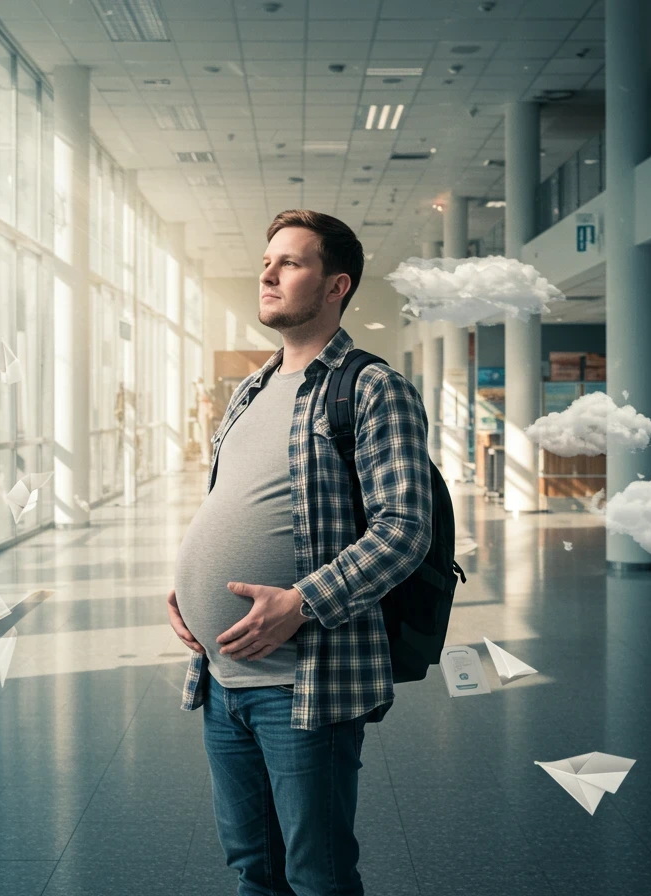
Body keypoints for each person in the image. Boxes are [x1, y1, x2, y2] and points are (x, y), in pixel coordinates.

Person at [167, 210, 433, 895]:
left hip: (302, 685)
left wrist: (300, 603)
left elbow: (404, 528)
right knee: (254, 868)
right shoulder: (251, 389)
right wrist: (188, 587)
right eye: (267, 260)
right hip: (222, 678)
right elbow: (235, 504)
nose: (268, 271)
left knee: (317, 876)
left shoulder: (372, 389)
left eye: (290, 262)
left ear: (336, 285)